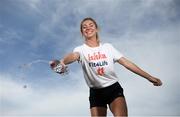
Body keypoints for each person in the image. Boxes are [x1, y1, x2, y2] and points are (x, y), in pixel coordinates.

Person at [49, 17, 162, 117]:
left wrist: (150, 77)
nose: (88, 28)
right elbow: (73, 56)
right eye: (84, 27)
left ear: (97, 29)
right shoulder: (81, 49)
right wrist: (63, 61)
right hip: (95, 93)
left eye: (91, 25)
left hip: (113, 89)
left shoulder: (108, 47)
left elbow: (127, 64)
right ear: (82, 32)